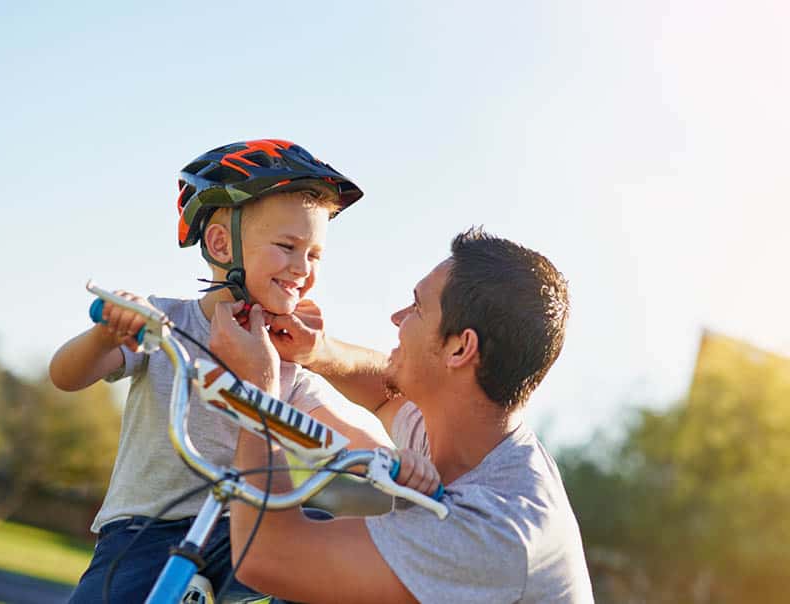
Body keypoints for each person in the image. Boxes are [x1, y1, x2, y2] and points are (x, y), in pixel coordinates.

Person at [50, 139, 416, 602]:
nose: (302, 268)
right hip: (143, 532)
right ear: (221, 243)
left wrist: (400, 464)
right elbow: (66, 376)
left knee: (329, 545)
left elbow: (339, 432)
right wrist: (107, 336)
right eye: (288, 246)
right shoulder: (167, 324)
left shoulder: (285, 355)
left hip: (239, 532)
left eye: (316, 254)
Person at [211, 227, 594, 603]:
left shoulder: (496, 529)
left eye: (417, 307)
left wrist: (258, 391)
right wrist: (316, 352)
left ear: (460, 349)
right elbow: (385, 394)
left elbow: (267, 557)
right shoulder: (470, 435)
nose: (397, 317)